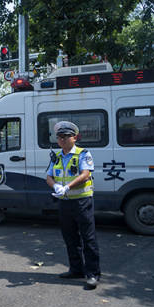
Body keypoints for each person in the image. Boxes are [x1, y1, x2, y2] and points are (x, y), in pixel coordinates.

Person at [46, 121, 101, 290]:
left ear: (75, 137)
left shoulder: (83, 154)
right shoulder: (57, 156)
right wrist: (55, 186)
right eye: (59, 137)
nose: (62, 140)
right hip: (64, 203)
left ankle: (92, 274)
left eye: (66, 136)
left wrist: (68, 187)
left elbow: (85, 174)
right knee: (70, 238)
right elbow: (48, 176)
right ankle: (76, 269)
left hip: (82, 201)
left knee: (88, 238)